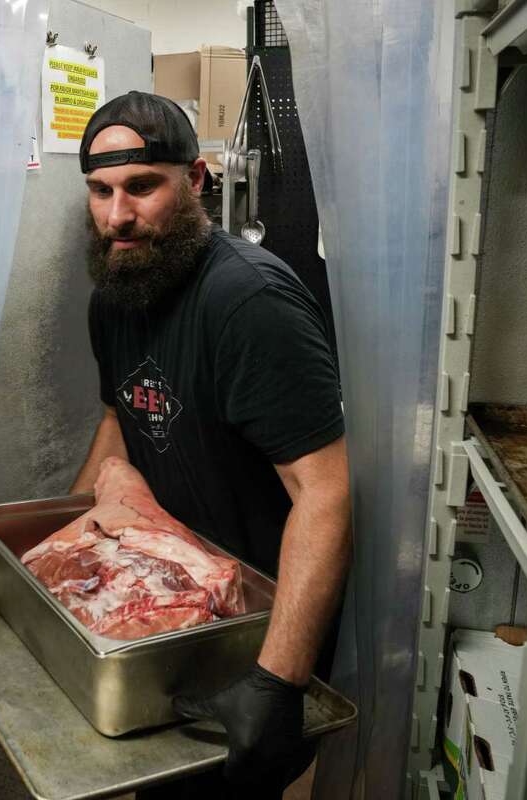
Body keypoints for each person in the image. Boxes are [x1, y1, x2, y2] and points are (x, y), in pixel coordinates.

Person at [69, 91, 352, 799]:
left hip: (251, 628)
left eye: (141, 187)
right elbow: (120, 421)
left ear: (195, 181)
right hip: (169, 605)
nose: (116, 216)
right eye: (100, 191)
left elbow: (326, 490)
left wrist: (277, 681)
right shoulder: (117, 292)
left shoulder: (247, 304)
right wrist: (70, 541)